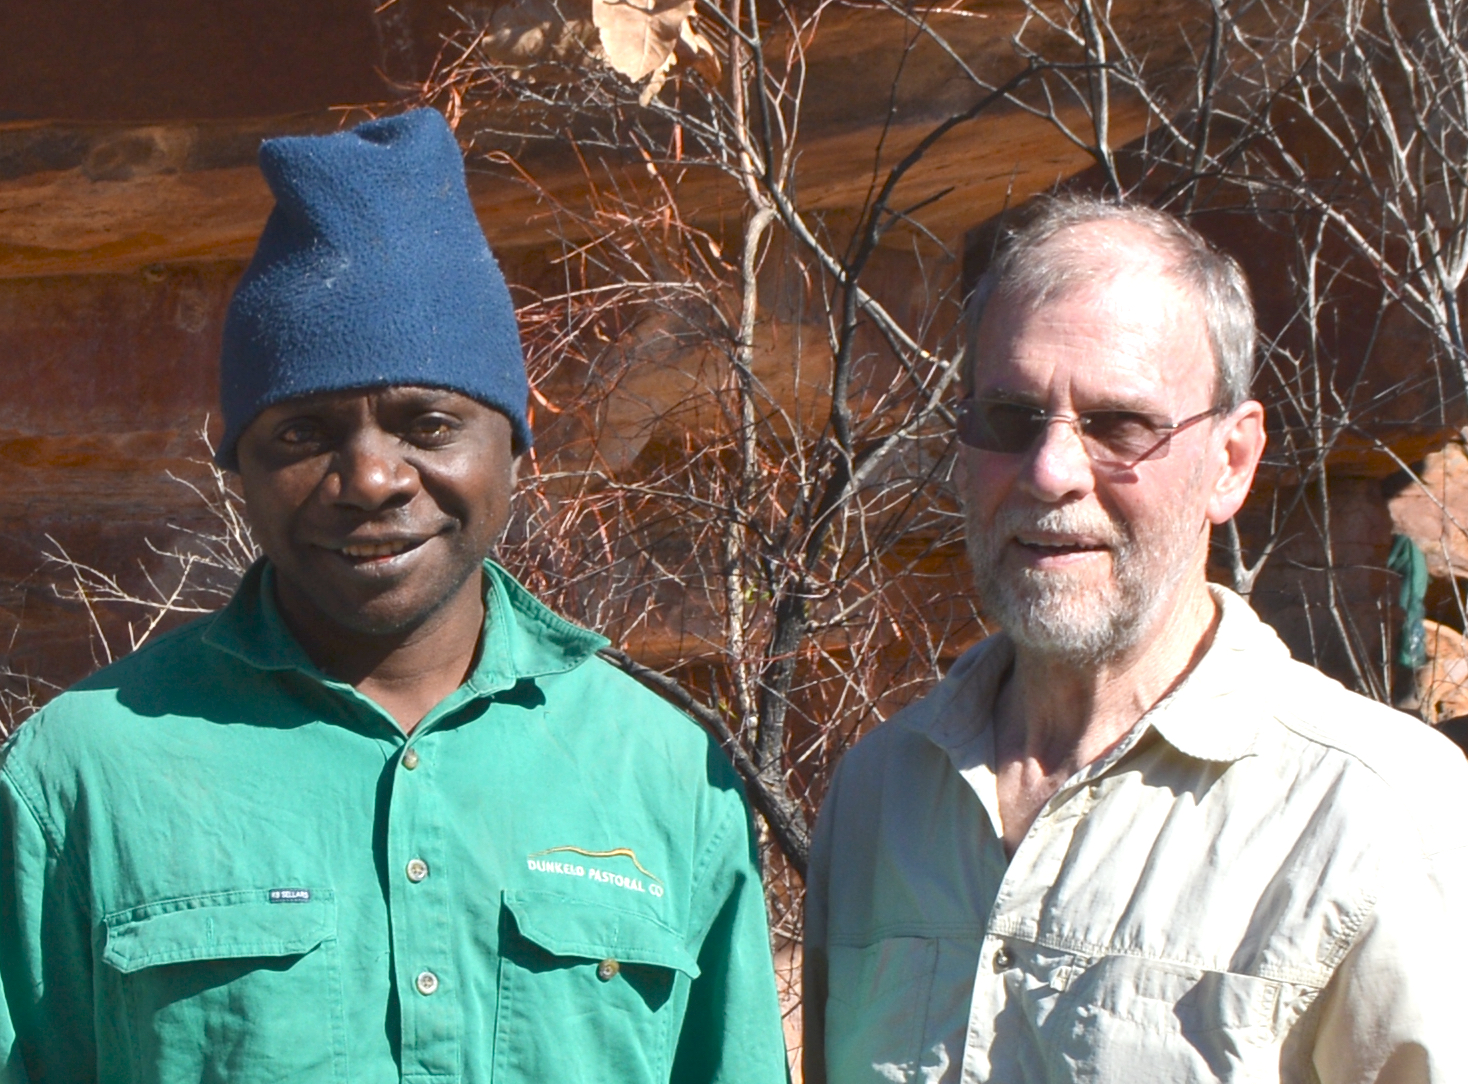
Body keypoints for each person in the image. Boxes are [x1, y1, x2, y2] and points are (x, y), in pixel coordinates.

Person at [0, 108, 789, 1084]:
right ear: (235, 462)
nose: (371, 477)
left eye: (427, 421)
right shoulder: (83, 773)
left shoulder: (665, 776)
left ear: (514, 441)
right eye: (301, 432)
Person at [803, 198, 1468, 1084]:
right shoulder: (879, 795)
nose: (1051, 471)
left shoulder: (1383, 814)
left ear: (1231, 462)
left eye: (1119, 426)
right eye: (1009, 419)